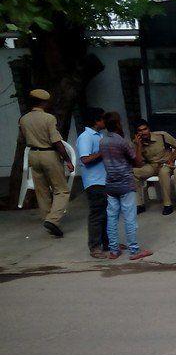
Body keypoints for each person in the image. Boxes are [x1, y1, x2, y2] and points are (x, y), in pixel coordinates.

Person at [17, 88, 74, 237]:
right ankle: (53, 220)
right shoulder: (49, 118)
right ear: (43, 102)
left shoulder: (24, 119)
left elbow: (21, 140)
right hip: (49, 154)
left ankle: (48, 219)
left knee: (41, 190)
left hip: (33, 155)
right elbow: (56, 141)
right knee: (61, 190)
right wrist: (67, 160)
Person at [99, 112, 152, 261]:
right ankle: (134, 251)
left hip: (110, 184)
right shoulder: (122, 142)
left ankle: (114, 250)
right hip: (125, 184)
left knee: (112, 218)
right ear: (117, 124)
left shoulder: (102, 141)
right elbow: (138, 162)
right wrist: (138, 145)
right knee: (130, 218)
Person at [76, 107, 109, 258]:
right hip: (94, 182)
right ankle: (95, 246)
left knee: (106, 213)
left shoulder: (99, 136)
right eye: (103, 118)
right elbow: (85, 159)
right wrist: (103, 153)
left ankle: (107, 243)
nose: (105, 121)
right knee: (97, 214)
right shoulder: (86, 137)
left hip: (103, 180)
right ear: (97, 121)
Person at [131, 119, 176, 215]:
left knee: (163, 172)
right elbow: (139, 164)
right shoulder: (136, 142)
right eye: (140, 130)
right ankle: (139, 205)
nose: (143, 132)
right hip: (151, 165)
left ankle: (167, 205)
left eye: (145, 129)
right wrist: (139, 146)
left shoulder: (162, 135)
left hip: (165, 164)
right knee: (132, 172)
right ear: (136, 133)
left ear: (149, 129)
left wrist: (171, 159)